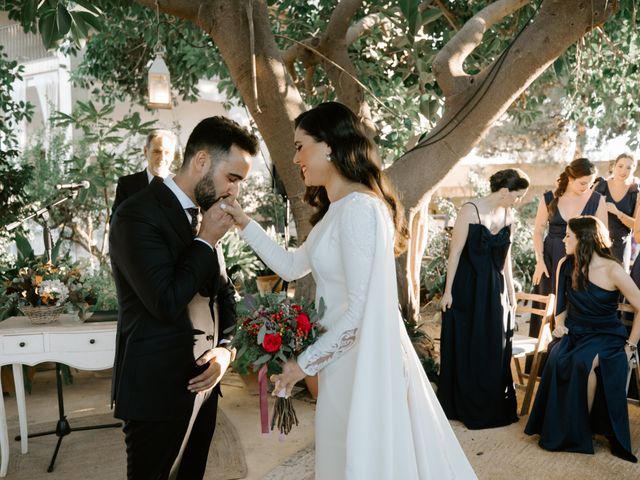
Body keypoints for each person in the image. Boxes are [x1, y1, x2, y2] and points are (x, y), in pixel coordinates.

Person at [220, 102, 477, 479]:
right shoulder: (337, 210)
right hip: (341, 362)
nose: (295, 158)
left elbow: (358, 311)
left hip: (361, 364)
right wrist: (243, 222)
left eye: (299, 146)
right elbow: (292, 265)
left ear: (328, 146)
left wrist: (302, 365)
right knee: (341, 456)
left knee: (360, 458)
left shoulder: (359, 209)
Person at [109, 117, 258, 479]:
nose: (234, 192)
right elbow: (163, 300)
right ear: (202, 161)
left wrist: (226, 350)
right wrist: (205, 240)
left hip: (204, 386)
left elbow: (224, 295)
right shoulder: (136, 214)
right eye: (232, 179)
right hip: (156, 390)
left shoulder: (203, 217)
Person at [525, 216, 640, 463]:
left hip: (606, 334)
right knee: (556, 355)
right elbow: (562, 310)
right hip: (576, 329)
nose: (563, 239)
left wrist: (631, 345)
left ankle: (580, 430)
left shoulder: (613, 269)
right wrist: (560, 325)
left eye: (568, 236)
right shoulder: (566, 265)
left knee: (582, 362)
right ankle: (561, 426)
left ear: (584, 239)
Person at [438, 169, 530, 429]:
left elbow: (506, 258)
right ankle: (461, 405)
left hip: (494, 288)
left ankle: (489, 403)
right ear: (504, 192)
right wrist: (448, 292)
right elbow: (454, 253)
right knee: (467, 342)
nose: (518, 201)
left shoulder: (509, 214)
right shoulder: (470, 210)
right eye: (517, 195)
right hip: (466, 286)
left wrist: (511, 293)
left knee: (493, 345)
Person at [529, 158, 608, 342]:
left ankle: (572, 354)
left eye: (590, 183)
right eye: (582, 183)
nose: (586, 186)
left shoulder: (597, 200)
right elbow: (538, 231)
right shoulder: (549, 198)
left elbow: (602, 235)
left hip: (582, 259)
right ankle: (543, 361)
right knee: (548, 305)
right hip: (550, 258)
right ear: (570, 178)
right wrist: (539, 261)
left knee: (575, 304)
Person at [112, 128, 177, 214]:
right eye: (157, 152)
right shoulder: (127, 185)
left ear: (173, 156)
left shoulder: (181, 186)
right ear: (146, 151)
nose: (162, 158)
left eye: (167, 153)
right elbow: (115, 221)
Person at [594, 153, 638, 271]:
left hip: (621, 246)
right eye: (620, 166)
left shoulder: (635, 192)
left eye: (629, 167)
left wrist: (617, 212)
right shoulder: (600, 186)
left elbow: (636, 224)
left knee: (618, 283)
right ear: (614, 166)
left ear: (634, 169)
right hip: (598, 243)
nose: (623, 170)